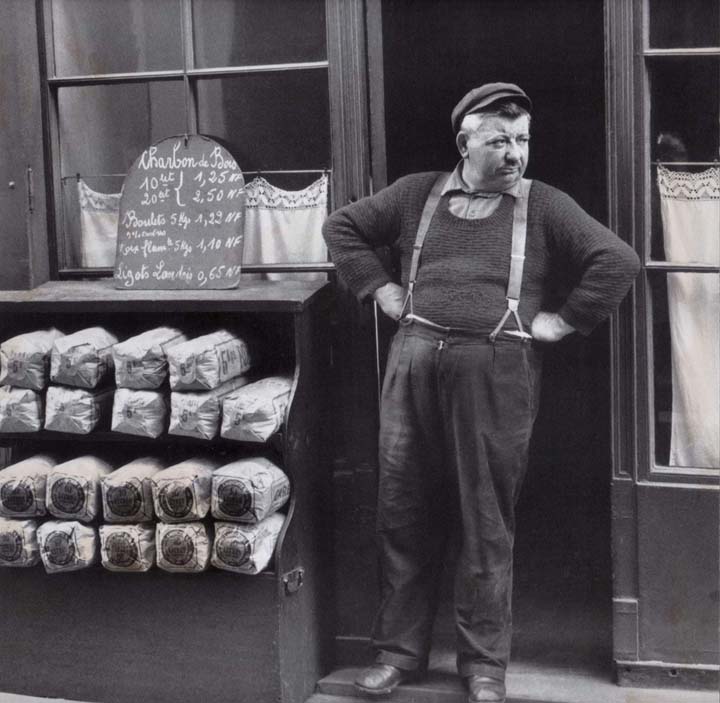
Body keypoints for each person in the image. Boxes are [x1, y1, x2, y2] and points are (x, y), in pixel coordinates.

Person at [322, 82, 640, 703]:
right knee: (403, 508)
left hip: (495, 367)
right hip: (413, 358)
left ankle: (484, 665)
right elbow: (342, 228)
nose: (515, 152)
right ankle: (397, 654)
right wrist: (381, 290)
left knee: (485, 518)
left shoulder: (545, 206)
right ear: (464, 141)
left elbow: (617, 260)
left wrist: (562, 321)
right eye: (500, 140)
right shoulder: (418, 193)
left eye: (522, 140)